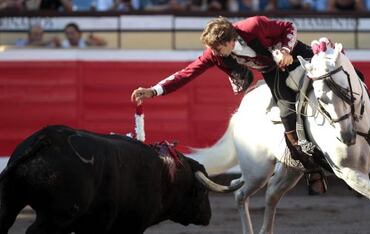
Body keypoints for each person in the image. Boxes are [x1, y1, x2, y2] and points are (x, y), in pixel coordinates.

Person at [130, 16, 327, 195]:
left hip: (296, 53)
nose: (214, 53)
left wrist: (285, 50)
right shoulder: (215, 54)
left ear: (230, 41)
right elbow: (186, 73)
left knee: (340, 75)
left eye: (217, 48)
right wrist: (154, 90)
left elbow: (289, 26)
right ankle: (312, 168)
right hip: (274, 71)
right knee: (287, 113)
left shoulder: (254, 25)